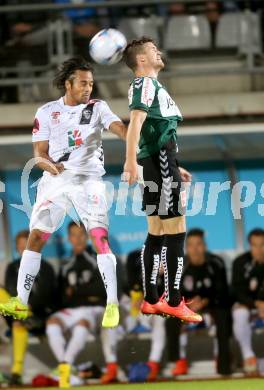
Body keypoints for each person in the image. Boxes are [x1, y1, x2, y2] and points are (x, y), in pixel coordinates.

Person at [0, 57, 127, 330]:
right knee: (35, 237)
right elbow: (39, 154)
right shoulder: (46, 112)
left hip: (88, 180)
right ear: (68, 84)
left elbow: (122, 130)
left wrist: (136, 136)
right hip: (55, 180)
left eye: (91, 83)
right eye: (83, 83)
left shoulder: (98, 109)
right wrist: (49, 166)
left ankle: (112, 303)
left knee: (99, 238)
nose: (88, 88)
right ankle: (21, 300)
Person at [122, 37, 201, 323]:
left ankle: (152, 298)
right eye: (154, 50)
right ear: (142, 60)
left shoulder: (152, 86)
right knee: (177, 229)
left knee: (157, 230)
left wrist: (172, 166)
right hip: (157, 160)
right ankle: (174, 300)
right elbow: (136, 124)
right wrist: (130, 161)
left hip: (158, 161)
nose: (160, 52)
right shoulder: (144, 84)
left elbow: (153, 130)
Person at [46, 222, 120, 386]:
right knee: (52, 323)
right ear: (69, 238)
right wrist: (84, 292)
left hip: (94, 309)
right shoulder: (65, 264)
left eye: (81, 235)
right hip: (72, 309)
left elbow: (102, 289)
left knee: (81, 324)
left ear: (87, 237)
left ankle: (65, 370)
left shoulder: (97, 259)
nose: (78, 239)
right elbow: (62, 296)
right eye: (74, 235)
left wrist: (76, 291)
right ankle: (66, 367)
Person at [0, 230, 57, 385]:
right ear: (17, 248)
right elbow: (9, 291)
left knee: (18, 322)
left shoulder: (46, 268)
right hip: (20, 313)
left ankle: (16, 372)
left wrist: (30, 305)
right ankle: (24, 315)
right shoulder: (13, 267)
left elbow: (47, 296)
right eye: (21, 246)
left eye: (27, 245)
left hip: (39, 316)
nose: (24, 249)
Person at [168, 228, 231, 376]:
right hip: (187, 308)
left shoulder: (216, 263)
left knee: (223, 314)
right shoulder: (179, 266)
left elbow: (222, 291)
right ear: (186, 248)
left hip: (211, 307)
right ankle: (177, 362)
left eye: (198, 244)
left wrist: (204, 301)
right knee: (170, 317)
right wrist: (188, 304)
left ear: (205, 246)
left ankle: (223, 364)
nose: (195, 249)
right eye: (190, 245)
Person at [125, 248, 166, 381]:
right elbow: (132, 287)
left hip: (157, 307)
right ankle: (113, 367)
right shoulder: (134, 256)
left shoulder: (169, 256)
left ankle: (152, 364)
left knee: (160, 320)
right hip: (135, 306)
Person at [231, 228, 264, 374]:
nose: (259, 249)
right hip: (249, 305)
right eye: (255, 245)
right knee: (239, 314)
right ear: (249, 245)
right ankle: (248, 356)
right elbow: (237, 291)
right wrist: (256, 304)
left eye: (262, 245)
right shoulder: (240, 262)